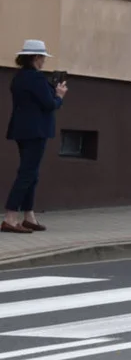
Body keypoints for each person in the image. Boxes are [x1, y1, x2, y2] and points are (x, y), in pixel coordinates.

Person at [4, 40, 67, 233]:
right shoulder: (36, 79)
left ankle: (28, 215)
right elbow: (49, 104)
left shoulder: (19, 77)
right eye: (42, 58)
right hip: (36, 131)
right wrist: (60, 96)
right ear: (36, 58)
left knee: (32, 173)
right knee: (27, 174)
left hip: (22, 130)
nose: (44, 62)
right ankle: (10, 217)